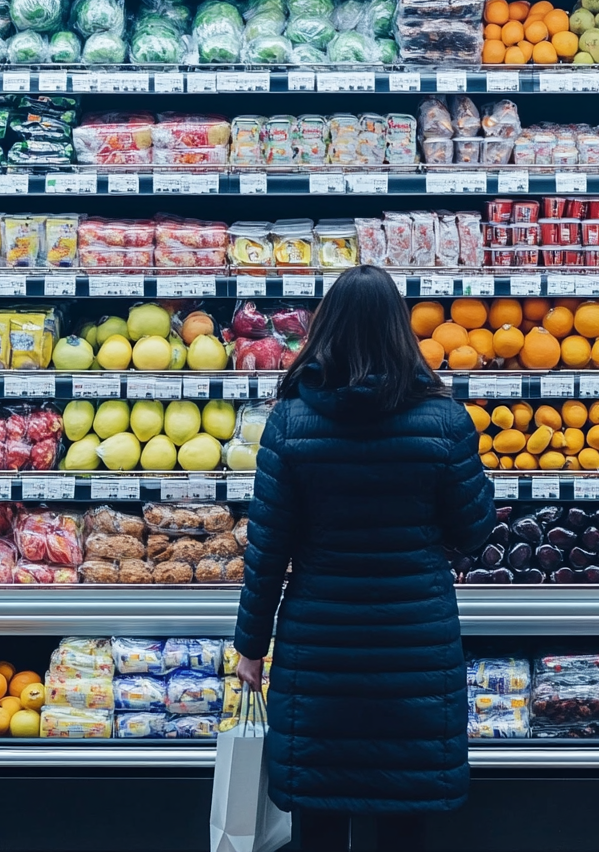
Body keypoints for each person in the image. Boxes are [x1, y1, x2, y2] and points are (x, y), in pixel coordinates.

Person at [232, 264, 496, 851]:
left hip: (319, 643)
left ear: (326, 329)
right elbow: (475, 528)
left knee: (319, 818)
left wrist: (250, 647)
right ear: (401, 330)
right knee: (405, 811)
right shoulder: (445, 420)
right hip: (415, 642)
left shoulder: (290, 422)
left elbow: (267, 549)